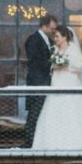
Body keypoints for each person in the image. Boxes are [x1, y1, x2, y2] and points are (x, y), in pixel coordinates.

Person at [23, 13, 58, 147]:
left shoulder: (49, 41)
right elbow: (34, 61)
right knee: (34, 112)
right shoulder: (33, 39)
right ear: (44, 26)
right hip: (37, 82)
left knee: (43, 112)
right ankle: (30, 142)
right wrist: (52, 64)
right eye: (51, 28)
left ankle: (40, 141)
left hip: (46, 81)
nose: (53, 31)